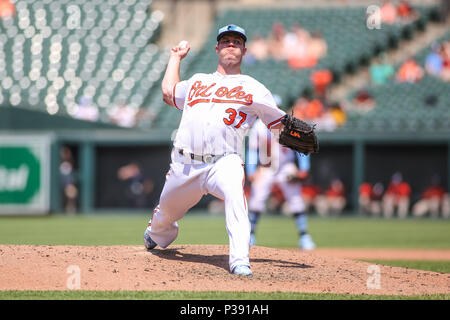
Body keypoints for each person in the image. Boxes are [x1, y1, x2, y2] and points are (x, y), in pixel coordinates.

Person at [143, 25, 288, 277]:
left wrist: (292, 134)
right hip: (185, 165)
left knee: (237, 199)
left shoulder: (254, 88)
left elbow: (279, 125)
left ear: (244, 49)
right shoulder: (198, 80)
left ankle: (240, 261)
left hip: (225, 161)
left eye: (236, 41)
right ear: (217, 48)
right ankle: (157, 233)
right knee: (165, 215)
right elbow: (169, 93)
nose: (230, 45)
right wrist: (175, 57)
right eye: (226, 41)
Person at [245, 117, 316, 250]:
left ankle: (304, 236)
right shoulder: (259, 126)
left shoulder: (289, 124)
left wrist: (304, 168)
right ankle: (250, 236)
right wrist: (251, 169)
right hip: (266, 167)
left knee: (296, 200)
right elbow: (253, 150)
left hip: (285, 167)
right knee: (257, 200)